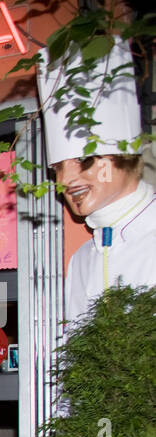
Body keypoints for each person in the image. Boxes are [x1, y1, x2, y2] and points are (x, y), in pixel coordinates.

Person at [39, 36, 155, 338]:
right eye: (57, 168)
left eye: (81, 160)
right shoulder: (83, 258)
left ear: (122, 158)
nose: (64, 180)